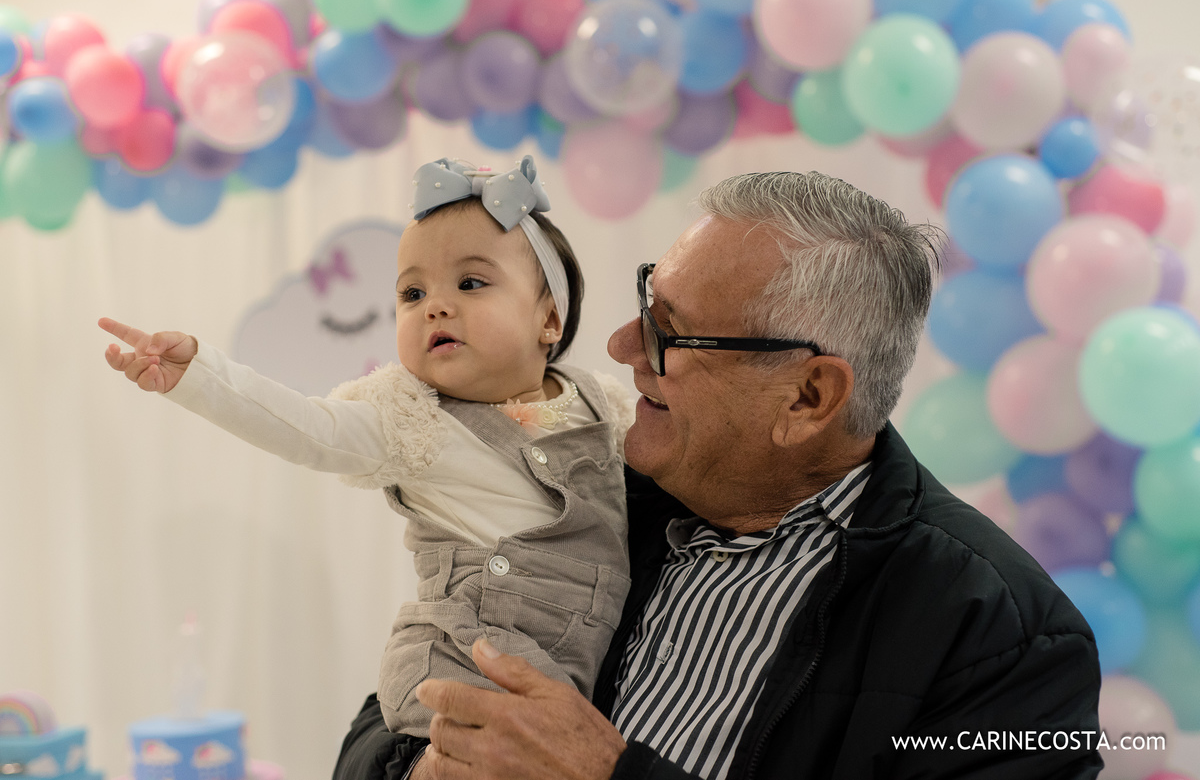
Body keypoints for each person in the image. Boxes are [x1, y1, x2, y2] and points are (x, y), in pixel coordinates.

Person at [332, 169, 1103, 780]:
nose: (622, 344)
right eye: (646, 300)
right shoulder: (589, 490)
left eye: (670, 332)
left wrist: (612, 775)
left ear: (808, 396)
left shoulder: (1005, 640)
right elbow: (386, 721)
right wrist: (426, 767)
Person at [98, 155, 635, 740]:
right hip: (463, 660)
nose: (436, 304)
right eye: (412, 292)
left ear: (549, 319)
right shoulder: (411, 420)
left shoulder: (603, 405)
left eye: (471, 283)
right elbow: (306, 426)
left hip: (581, 668)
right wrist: (198, 374)